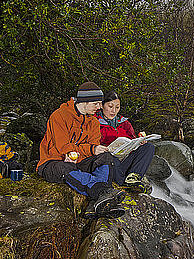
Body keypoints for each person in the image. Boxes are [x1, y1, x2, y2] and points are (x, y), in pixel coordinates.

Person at [37, 81, 125, 219]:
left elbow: (94, 146)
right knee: (63, 167)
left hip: (80, 162)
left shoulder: (94, 122)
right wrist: (90, 149)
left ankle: (95, 204)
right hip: (53, 162)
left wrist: (93, 149)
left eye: (100, 103)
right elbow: (63, 147)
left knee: (106, 157)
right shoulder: (59, 116)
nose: (99, 107)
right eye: (96, 103)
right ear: (84, 101)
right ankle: (102, 192)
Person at [97, 91, 154, 194]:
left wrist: (139, 142)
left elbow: (132, 139)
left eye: (117, 107)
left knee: (148, 147)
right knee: (111, 161)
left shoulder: (124, 123)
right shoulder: (94, 122)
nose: (113, 111)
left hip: (126, 158)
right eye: (110, 106)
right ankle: (123, 183)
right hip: (108, 161)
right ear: (101, 105)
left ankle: (133, 178)